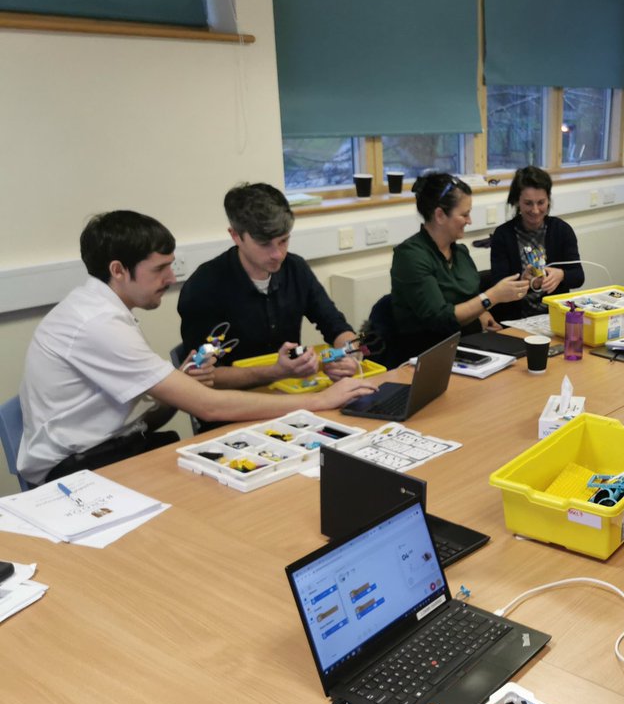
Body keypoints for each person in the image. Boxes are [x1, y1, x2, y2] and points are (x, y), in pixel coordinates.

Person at [17, 211, 375, 485]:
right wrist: (319, 402)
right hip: (74, 471)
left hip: (117, 446)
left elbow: (164, 405)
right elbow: (209, 406)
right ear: (118, 270)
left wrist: (179, 384)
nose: (171, 279)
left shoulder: (103, 310)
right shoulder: (97, 324)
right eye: (160, 269)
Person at [178, 183, 361, 390]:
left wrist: (350, 357)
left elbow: (337, 327)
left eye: (283, 241)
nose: (278, 254)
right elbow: (204, 376)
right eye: (264, 244)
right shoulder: (204, 286)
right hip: (233, 407)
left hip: (292, 396)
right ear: (236, 236)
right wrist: (276, 372)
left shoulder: (296, 269)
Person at [389, 173, 527, 360]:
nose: (469, 221)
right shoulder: (410, 257)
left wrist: (483, 313)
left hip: (469, 346)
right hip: (428, 357)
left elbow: (469, 298)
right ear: (439, 215)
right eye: (464, 214)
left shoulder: (460, 253)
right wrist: (492, 297)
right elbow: (440, 319)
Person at [488, 166, 584, 320]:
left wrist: (561, 275)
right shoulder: (503, 235)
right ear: (517, 201)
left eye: (541, 202)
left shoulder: (561, 230)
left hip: (555, 317)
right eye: (528, 203)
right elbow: (498, 286)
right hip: (516, 319)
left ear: (548, 200)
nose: (535, 210)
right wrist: (522, 282)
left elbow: (578, 276)